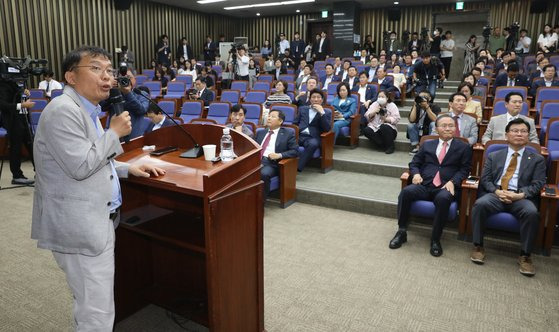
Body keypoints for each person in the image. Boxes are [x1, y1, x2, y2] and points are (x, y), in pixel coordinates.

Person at [31, 45, 165, 331]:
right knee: (96, 312)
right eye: (95, 69)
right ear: (70, 76)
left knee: (94, 303)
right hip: (80, 226)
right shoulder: (63, 112)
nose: (107, 77)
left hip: (96, 219)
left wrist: (128, 169)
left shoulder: (85, 109)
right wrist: (114, 132)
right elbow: (81, 165)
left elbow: (92, 159)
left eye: (109, 70)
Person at [470, 118, 546, 276]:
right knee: (480, 204)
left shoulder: (537, 159)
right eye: (515, 131)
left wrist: (519, 195)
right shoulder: (494, 155)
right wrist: (497, 192)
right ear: (506, 135)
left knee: (531, 213)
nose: (519, 134)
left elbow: (538, 184)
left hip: (521, 197)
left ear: (528, 136)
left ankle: (525, 255)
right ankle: (478, 246)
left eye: (523, 131)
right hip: (497, 194)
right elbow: (485, 179)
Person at [389, 114, 472, 257]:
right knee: (406, 192)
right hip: (424, 184)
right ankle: (402, 231)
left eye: (451, 126)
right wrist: (415, 174)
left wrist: (453, 181)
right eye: (444, 126)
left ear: (455, 128)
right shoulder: (427, 144)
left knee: (444, 199)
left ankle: (435, 238)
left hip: (446, 186)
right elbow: (414, 163)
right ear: (436, 129)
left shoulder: (463, 147)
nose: (448, 129)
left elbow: (465, 170)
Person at [256, 109, 298, 199]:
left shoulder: (288, 133)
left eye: (273, 117)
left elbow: (295, 151)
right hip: (256, 161)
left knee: (263, 174)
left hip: (271, 163)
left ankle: (260, 203)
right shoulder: (260, 133)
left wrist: (279, 155)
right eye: (269, 116)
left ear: (280, 121)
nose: (269, 118)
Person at [0, 77, 35, 185]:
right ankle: (17, 176)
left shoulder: (14, 83)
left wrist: (23, 94)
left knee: (31, 145)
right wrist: (22, 105)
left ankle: (40, 172)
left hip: (22, 118)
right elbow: (3, 105)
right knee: (16, 147)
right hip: (12, 120)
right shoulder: (2, 85)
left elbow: (16, 98)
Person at [293, 89, 332, 172]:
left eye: (318, 97)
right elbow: (295, 123)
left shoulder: (326, 112)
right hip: (300, 135)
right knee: (285, 140)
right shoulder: (302, 109)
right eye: (313, 97)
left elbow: (327, 128)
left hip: (313, 137)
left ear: (322, 100)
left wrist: (322, 113)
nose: (316, 99)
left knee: (313, 144)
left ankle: (297, 168)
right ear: (310, 99)